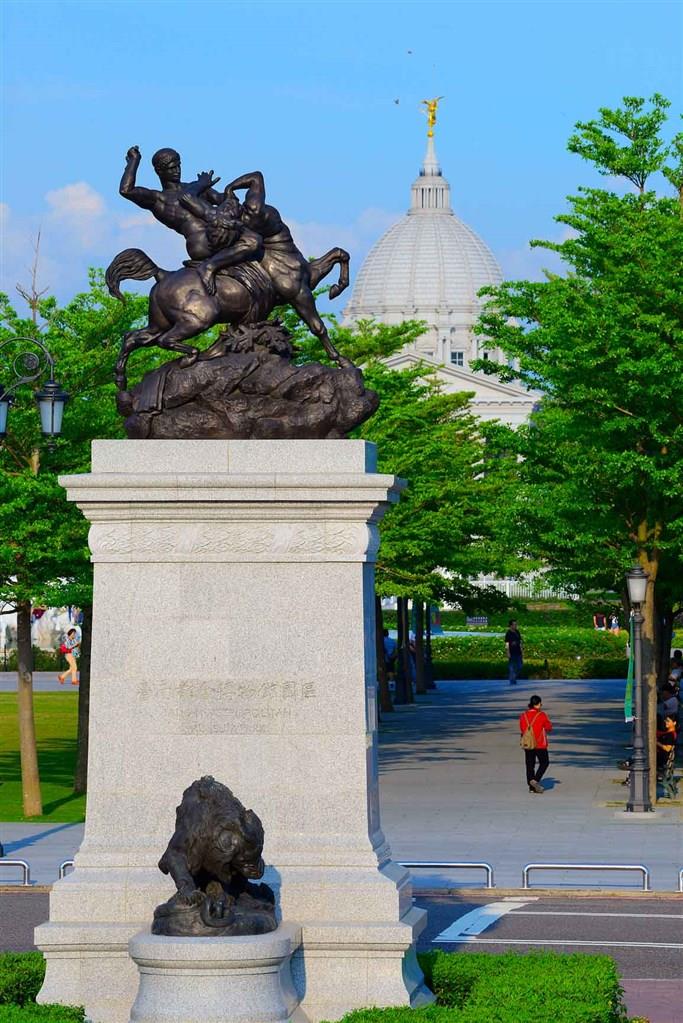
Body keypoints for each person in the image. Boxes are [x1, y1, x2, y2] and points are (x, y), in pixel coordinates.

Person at [519, 695, 553, 794]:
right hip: (539, 744)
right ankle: (535, 780)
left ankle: (531, 787)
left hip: (528, 743)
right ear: (537, 704)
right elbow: (548, 727)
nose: (541, 705)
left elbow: (522, 728)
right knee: (544, 762)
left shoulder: (523, 715)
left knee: (530, 764)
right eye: (540, 704)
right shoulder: (541, 715)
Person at [505, 619, 523, 685]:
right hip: (512, 652)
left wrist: (522, 649)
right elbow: (507, 643)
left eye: (516, 624)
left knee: (520, 666)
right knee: (511, 667)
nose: (515, 626)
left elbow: (520, 641)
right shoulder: (508, 633)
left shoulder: (517, 632)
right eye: (514, 624)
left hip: (518, 652)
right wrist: (508, 652)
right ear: (511, 625)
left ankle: (513, 677)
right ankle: (512, 680)